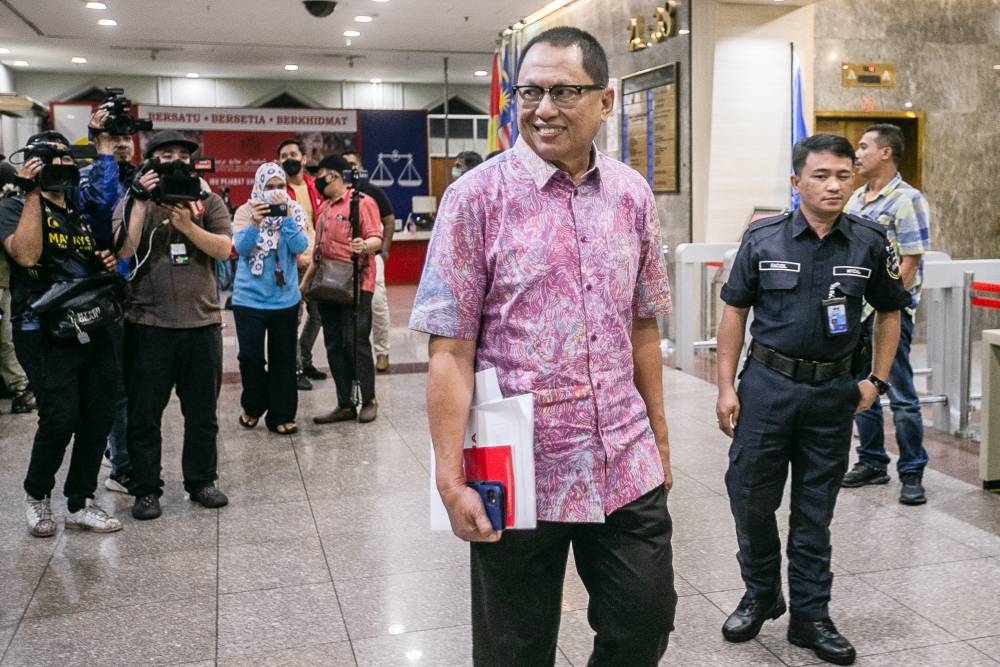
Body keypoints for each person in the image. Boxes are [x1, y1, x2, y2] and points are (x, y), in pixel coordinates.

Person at [410, 27, 677, 665]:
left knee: (646, 621)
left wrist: (660, 439)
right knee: (514, 647)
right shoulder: (476, 198)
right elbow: (451, 350)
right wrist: (450, 479)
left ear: (605, 102)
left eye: (563, 91)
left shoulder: (631, 195)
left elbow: (643, 324)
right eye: (530, 92)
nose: (543, 108)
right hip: (516, 462)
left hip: (623, 454)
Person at [715, 134, 910, 666]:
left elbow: (891, 311)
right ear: (796, 181)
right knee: (750, 497)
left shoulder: (871, 241)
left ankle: (810, 615)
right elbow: (734, 311)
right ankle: (760, 593)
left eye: (843, 175)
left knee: (814, 512)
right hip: (767, 389)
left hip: (832, 395)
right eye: (820, 175)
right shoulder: (763, 239)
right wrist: (726, 385)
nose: (832, 185)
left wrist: (877, 381)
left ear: (855, 179)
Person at [0, 123, 125, 536]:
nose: (60, 169)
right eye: (50, 162)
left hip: (90, 322)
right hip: (40, 328)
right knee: (60, 416)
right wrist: (33, 191)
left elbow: (95, 254)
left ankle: (78, 501)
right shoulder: (13, 206)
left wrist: (103, 262)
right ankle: (37, 497)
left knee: (98, 414)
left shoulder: (79, 210)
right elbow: (27, 253)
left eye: (67, 161)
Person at [115, 130, 232, 521]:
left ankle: (201, 481)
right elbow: (124, 252)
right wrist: (140, 201)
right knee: (145, 414)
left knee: (202, 414)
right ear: (151, 160)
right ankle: (146, 489)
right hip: (148, 324)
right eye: (167, 154)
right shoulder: (134, 199)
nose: (176, 160)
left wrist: (188, 227)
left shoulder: (207, 200)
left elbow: (223, 248)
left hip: (201, 324)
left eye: (183, 153)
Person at [840, 124, 931, 505]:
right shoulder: (857, 199)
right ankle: (873, 462)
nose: (856, 154)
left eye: (863, 147)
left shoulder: (906, 199)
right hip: (857, 312)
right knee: (864, 389)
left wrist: (886, 303)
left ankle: (911, 471)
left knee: (902, 393)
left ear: (885, 153)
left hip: (889, 314)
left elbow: (911, 258)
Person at [79, 121, 136, 494]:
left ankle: (123, 455)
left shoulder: (142, 180)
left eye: (126, 138)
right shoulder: (88, 177)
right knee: (112, 386)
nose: (122, 144)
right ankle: (121, 466)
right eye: (113, 138)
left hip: (139, 292)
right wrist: (102, 158)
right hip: (99, 290)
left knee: (131, 385)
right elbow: (101, 212)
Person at [230, 162, 307, 434]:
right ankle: (254, 403)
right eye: (269, 187)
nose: (275, 193)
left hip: (285, 299)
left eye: (280, 187)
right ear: (259, 187)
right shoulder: (244, 211)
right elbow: (240, 248)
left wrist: (285, 219)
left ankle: (281, 414)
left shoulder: (294, 211)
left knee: (283, 359)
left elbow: (300, 247)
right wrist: (255, 223)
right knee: (249, 357)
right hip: (248, 299)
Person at [307, 154, 382, 425]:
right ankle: (345, 403)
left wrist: (365, 244)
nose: (317, 179)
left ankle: (369, 399)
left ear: (335, 175)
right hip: (328, 285)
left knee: (356, 342)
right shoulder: (324, 208)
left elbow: (376, 236)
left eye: (321, 174)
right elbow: (317, 250)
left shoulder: (361, 203)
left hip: (357, 283)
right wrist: (306, 284)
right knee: (334, 344)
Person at [277, 138, 326, 390]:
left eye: (293, 154)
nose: (289, 159)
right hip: (291, 262)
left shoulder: (314, 186)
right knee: (292, 317)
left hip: (317, 261)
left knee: (318, 315)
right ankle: (294, 369)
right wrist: (298, 258)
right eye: (284, 156)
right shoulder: (278, 191)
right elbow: (277, 231)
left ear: (304, 159)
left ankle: (305, 359)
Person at [342, 149, 395, 373]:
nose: (351, 169)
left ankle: (382, 352)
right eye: (346, 165)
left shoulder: (372, 191)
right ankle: (355, 355)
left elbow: (389, 220)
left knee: (377, 304)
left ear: (361, 166)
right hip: (344, 258)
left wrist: (384, 249)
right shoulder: (336, 194)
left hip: (371, 254)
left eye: (354, 164)